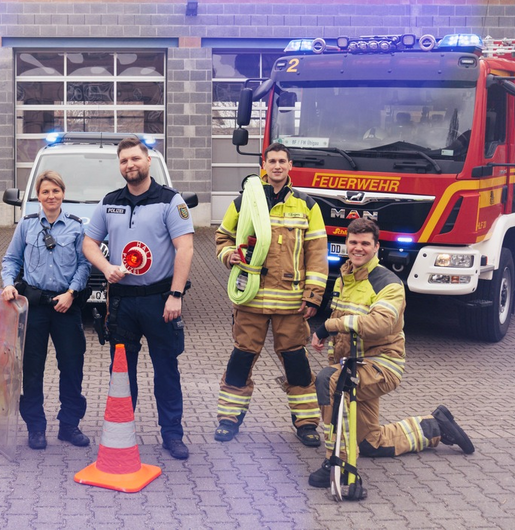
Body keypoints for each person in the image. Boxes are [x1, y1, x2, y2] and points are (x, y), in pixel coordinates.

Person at [308, 218, 474, 488]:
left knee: (330, 383)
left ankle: (338, 465)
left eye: (365, 243)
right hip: (353, 365)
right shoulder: (344, 278)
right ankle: (435, 427)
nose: (358, 248)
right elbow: (345, 335)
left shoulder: (389, 283)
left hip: (381, 366)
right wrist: (333, 352)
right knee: (370, 442)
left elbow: (378, 324)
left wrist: (328, 326)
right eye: (353, 242)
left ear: (376, 247)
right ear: (346, 244)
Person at [83, 136, 194, 460]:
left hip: (160, 301)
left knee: (166, 370)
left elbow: (185, 248)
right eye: (124, 161)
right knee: (121, 372)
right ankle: (121, 434)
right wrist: (106, 268)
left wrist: (175, 295)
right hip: (121, 304)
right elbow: (89, 243)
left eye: (135, 159)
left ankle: (172, 435)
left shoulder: (171, 201)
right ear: (120, 167)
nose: (130, 165)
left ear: (148, 162)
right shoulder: (110, 201)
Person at [214, 142, 328, 445]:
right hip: (250, 298)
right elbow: (223, 237)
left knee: (297, 365)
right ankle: (228, 419)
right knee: (240, 360)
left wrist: (313, 295)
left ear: (290, 166)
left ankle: (306, 424)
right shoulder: (244, 201)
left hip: (290, 304)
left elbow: (317, 253)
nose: (277, 166)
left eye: (282, 161)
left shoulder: (307, 206)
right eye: (271, 161)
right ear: (263, 165)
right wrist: (229, 256)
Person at [1, 171, 91, 450]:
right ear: (37, 196)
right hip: (35, 308)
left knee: (72, 367)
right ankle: (36, 428)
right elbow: (11, 259)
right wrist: (8, 284)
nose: (50, 196)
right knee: (32, 370)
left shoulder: (77, 227)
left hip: (66, 306)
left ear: (63, 193)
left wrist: (72, 293)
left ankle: (69, 425)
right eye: (45, 192)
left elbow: (84, 265)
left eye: (55, 191)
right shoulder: (27, 225)